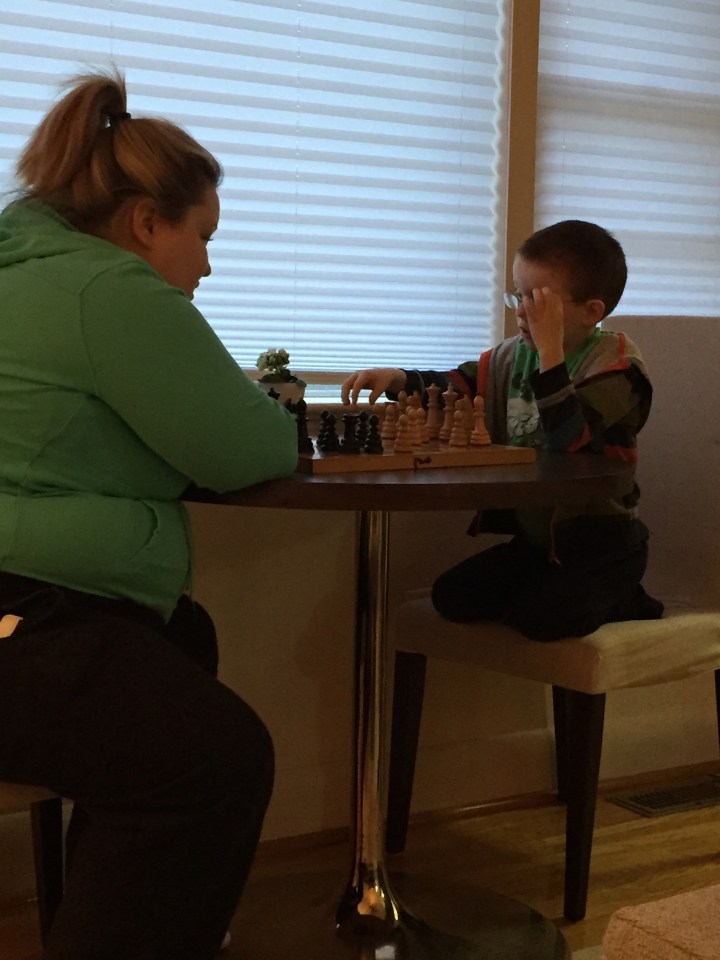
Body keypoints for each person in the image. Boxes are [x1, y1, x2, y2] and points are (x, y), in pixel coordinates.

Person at [0, 70, 298, 959]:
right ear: (144, 224)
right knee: (219, 761)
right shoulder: (110, 291)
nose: (206, 264)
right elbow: (248, 448)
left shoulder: (24, 274)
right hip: (18, 608)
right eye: (202, 236)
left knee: (180, 636)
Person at [342, 219, 664, 641]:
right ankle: (549, 594)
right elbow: (456, 385)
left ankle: (625, 597)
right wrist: (398, 378)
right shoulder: (513, 356)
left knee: (543, 617)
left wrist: (550, 355)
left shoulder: (616, 367)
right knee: (451, 596)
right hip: (537, 544)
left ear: (591, 312)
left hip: (602, 541)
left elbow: (570, 437)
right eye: (518, 294)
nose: (521, 311)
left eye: (537, 301)